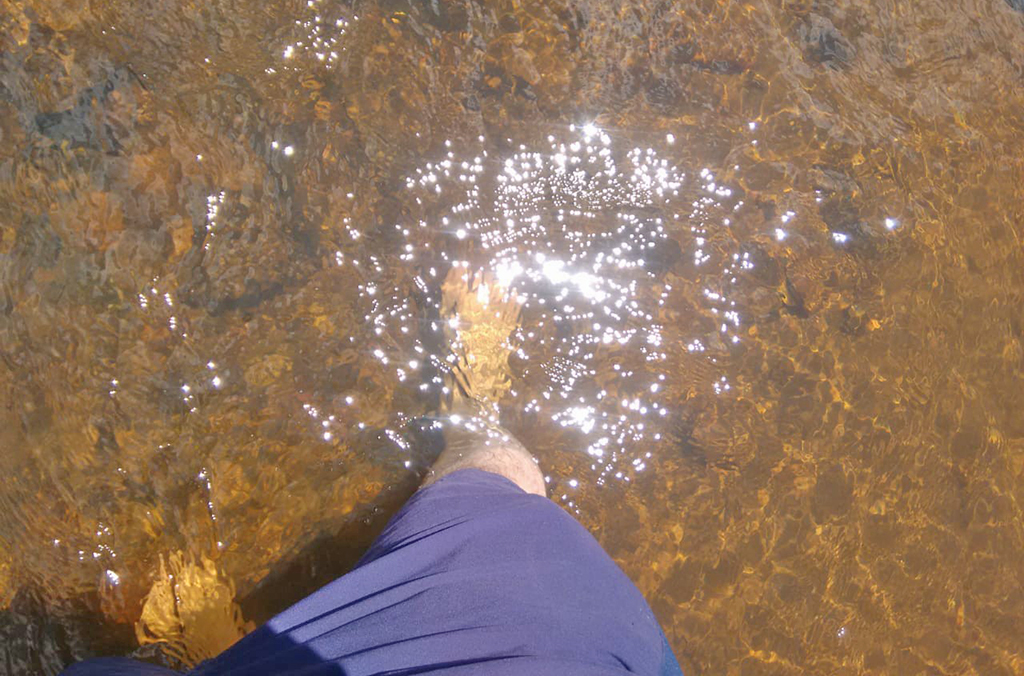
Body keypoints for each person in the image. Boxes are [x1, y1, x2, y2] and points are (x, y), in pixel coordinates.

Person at [62, 272, 683, 676]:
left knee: (510, 480)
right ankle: (474, 409)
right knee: (506, 478)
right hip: (580, 643)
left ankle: (208, 658)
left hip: (573, 635)